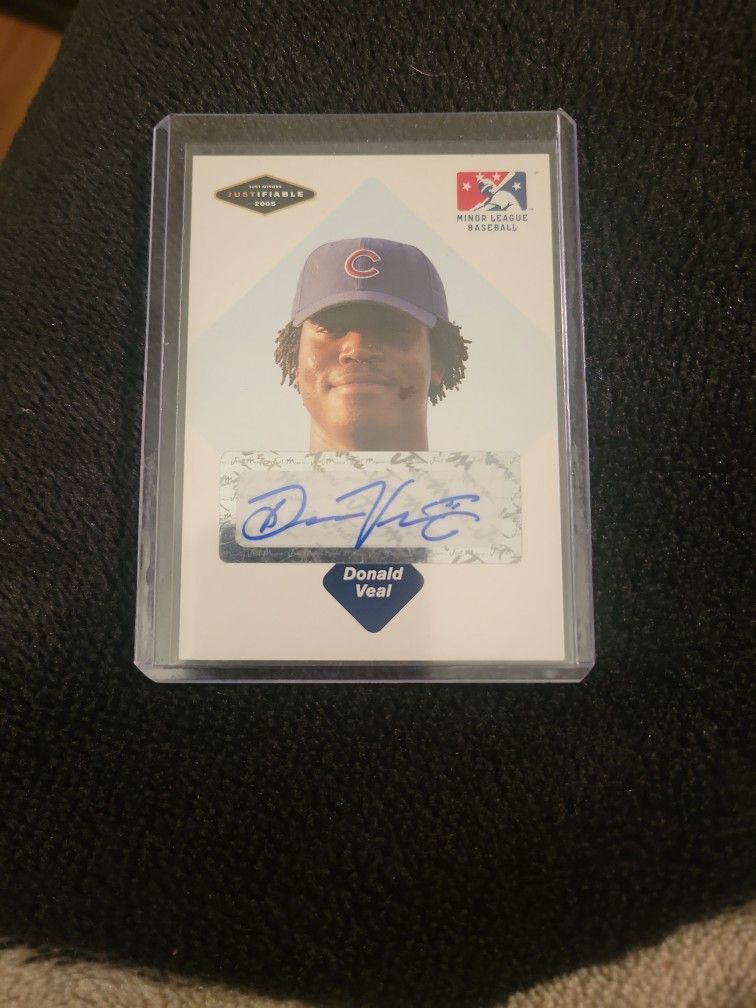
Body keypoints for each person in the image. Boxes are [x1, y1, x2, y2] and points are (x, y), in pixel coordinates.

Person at [274, 237, 468, 451]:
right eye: (329, 328)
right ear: (296, 357)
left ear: (437, 359)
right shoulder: (245, 473)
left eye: (393, 329)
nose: (358, 349)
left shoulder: (494, 473)